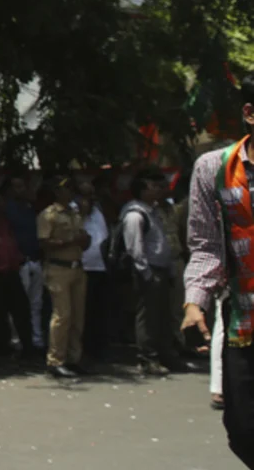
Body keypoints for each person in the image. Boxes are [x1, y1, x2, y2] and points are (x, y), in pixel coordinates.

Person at [185, 73, 254, 464]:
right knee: (243, 431)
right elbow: (206, 246)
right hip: (245, 320)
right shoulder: (213, 168)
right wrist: (195, 302)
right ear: (250, 113)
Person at [124, 167, 184, 375]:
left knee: (164, 315)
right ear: (141, 189)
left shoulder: (155, 211)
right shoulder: (135, 214)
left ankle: (166, 353)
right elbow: (135, 249)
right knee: (147, 317)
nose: (159, 190)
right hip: (149, 271)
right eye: (154, 186)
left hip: (163, 269)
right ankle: (147, 358)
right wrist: (147, 273)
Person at [36, 177, 89, 379]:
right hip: (58, 268)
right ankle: (55, 360)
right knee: (62, 316)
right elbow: (44, 243)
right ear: (57, 192)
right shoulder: (48, 215)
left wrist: (84, 240)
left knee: (78, 316)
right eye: (65, 189)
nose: (69, 192)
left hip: (77, 267)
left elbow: (83, 238)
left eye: (71, 188)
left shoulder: (75, 214)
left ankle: (73, 358)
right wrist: (69, 241)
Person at [0, 185, 33, 366]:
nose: (3, 203)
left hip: (11, 270)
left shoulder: (4, 220)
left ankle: (27, 346)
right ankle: (2, 346)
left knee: (21, 310)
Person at [6, 173, 46, 354]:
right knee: (18, 305)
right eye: (17, 186)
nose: (21, 190)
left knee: (36, 303)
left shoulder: (31, 208)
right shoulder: (8, 209)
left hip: (35, 259)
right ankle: (17, 340)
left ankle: (36, 338)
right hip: (20, 262)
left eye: (23, 186)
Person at [77, 174, 113, 364]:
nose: (89, 199)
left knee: (99, 311)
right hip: (83, 267)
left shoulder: (99, 211)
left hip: (100, 266)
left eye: (91, 195)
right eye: (85, 195)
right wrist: (82, 210)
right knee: (84, 312)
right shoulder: (75, 214)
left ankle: (99, 348)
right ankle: (83, 349)